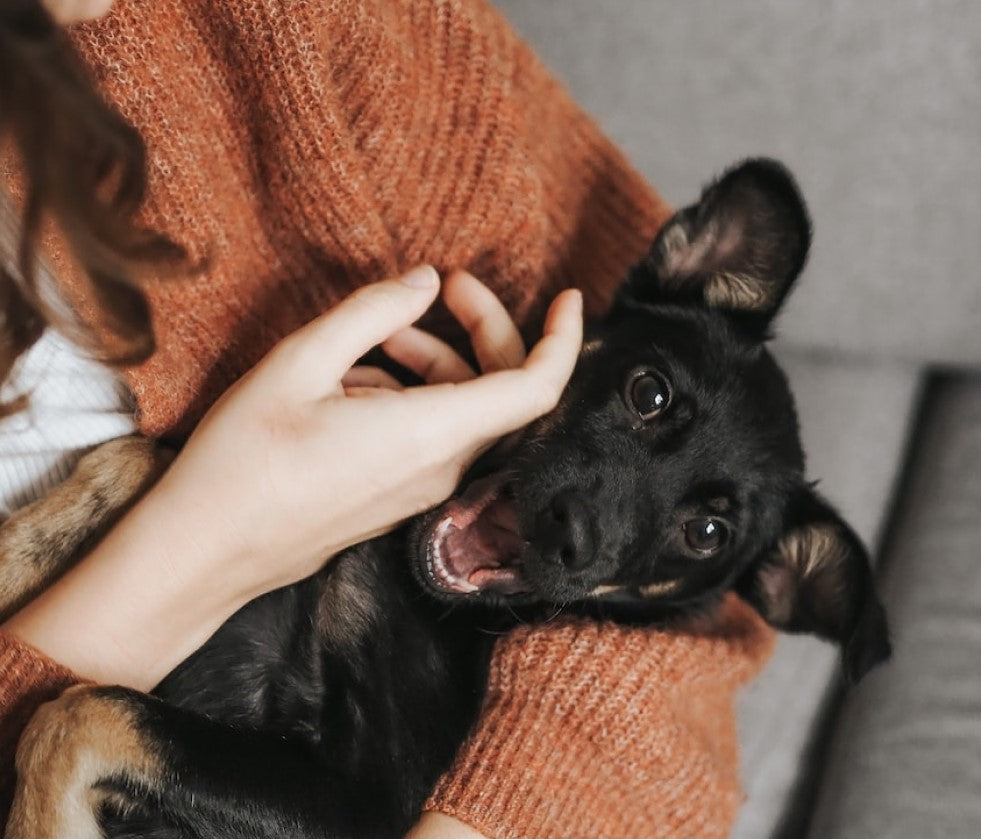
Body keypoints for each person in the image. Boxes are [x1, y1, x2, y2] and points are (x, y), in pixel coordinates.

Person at [0, 1, 774, 837]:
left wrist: (482, 815)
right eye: (647, 404)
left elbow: (683, 655)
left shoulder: (321, 36)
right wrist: (208, 536)